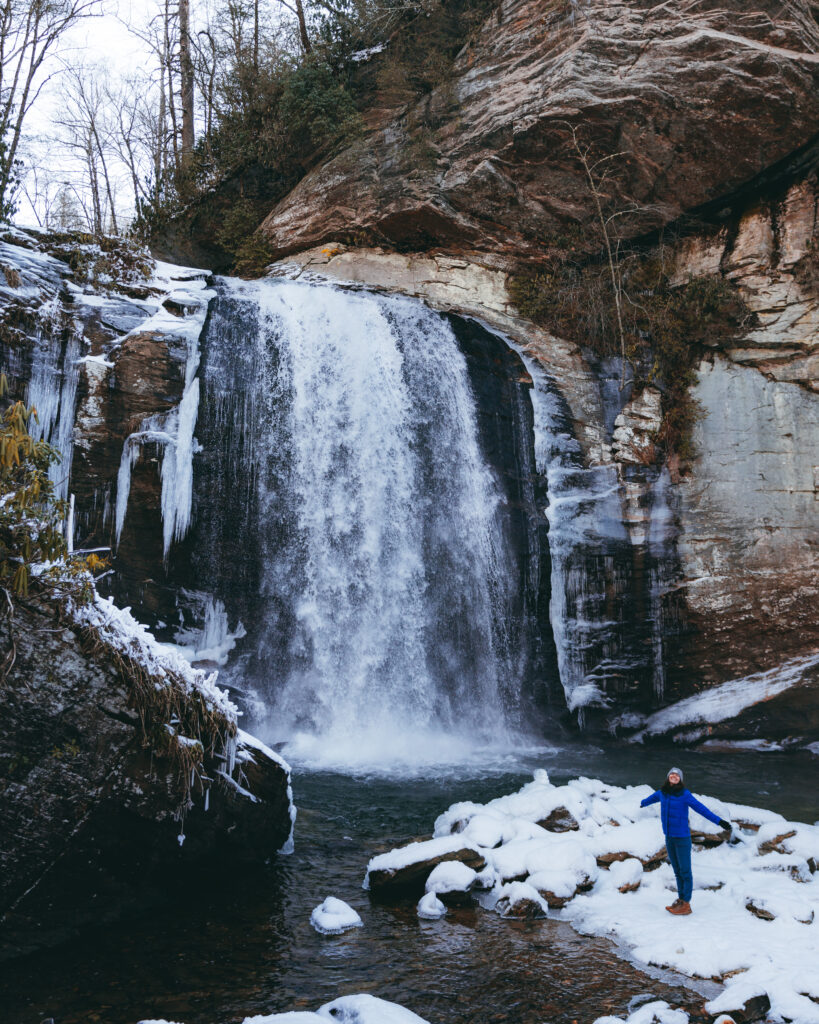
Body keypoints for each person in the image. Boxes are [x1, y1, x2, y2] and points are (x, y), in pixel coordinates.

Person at [640, 766, 731, 916]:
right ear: (668, 777)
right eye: (672, 775)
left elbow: (701, 809)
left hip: (682, 838)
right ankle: (681, 899)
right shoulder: (663, 793)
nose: (674, 777)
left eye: (677, 776)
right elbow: (651, 798)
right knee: (677, 871)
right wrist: (643, 803)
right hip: (669, 837)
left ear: (680, 779)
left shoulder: (684, 794)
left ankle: (686, 903)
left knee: (685, 871)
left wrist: (719, 822)